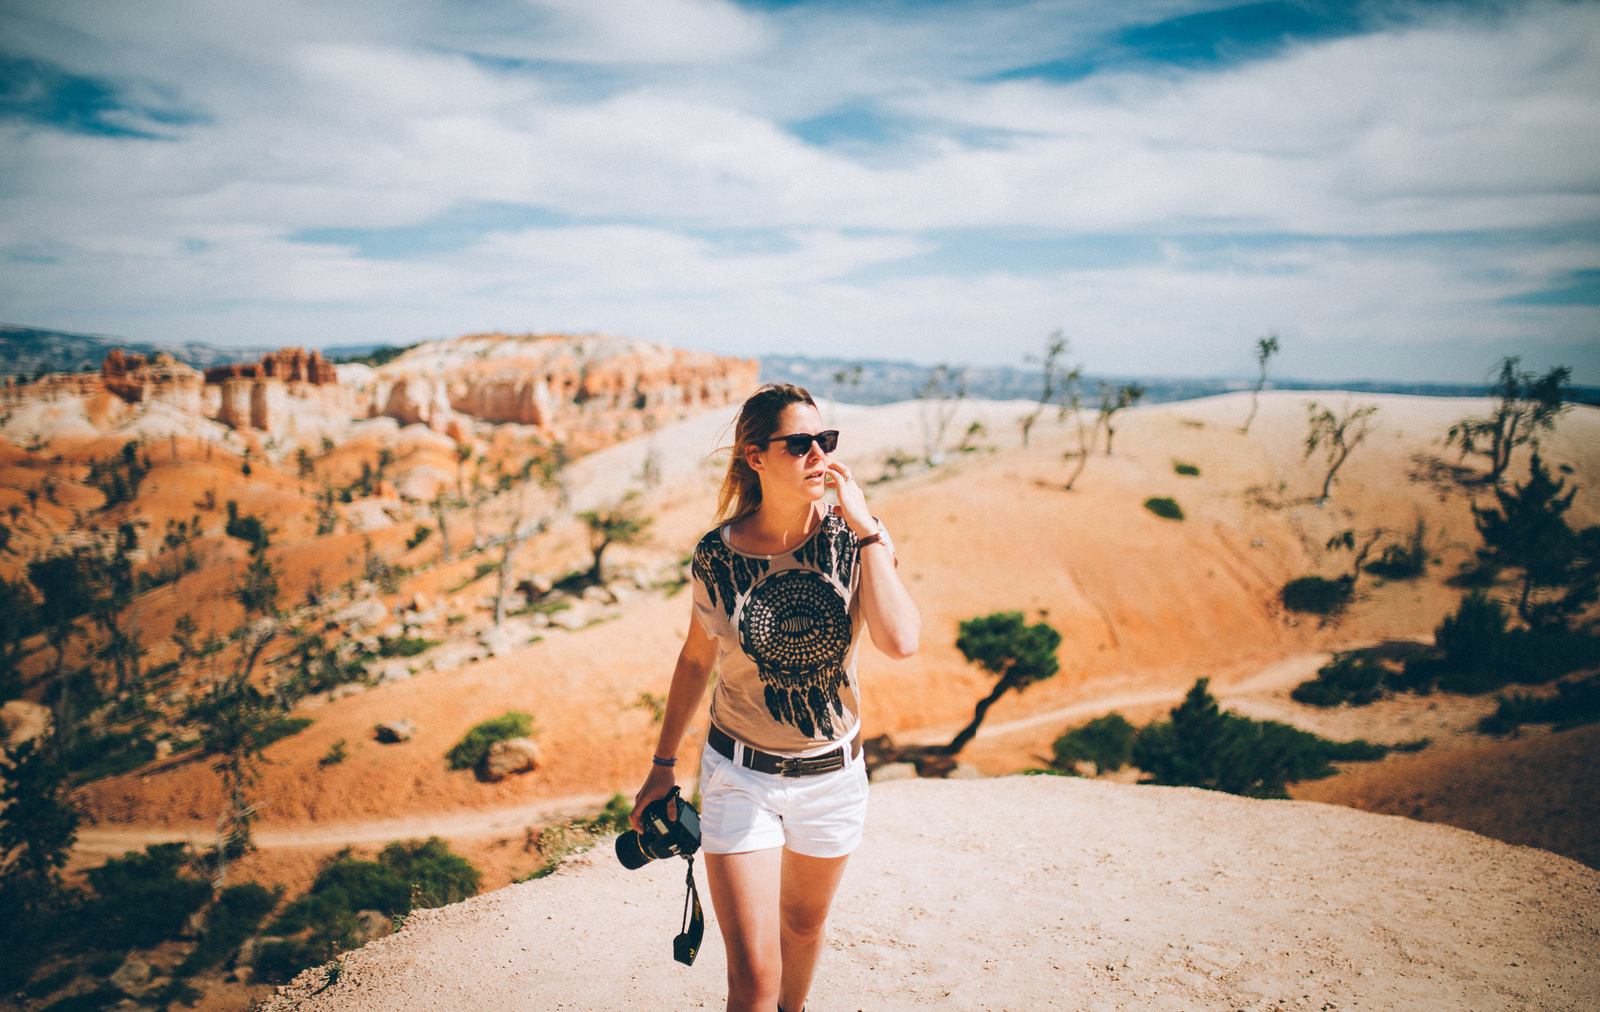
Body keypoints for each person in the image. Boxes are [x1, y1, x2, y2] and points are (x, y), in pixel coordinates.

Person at [631, 382, 920, 1012]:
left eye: (827, 440)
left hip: (834, 778)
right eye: (800, 444)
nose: (819, 454)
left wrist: (867, 528)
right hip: (741, 776)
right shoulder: (717, 555)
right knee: (755, 981)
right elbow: (694, 660)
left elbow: (901, 640)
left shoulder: (857, 542)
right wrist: (661, 767)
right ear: (755, 456)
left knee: (803, 930)